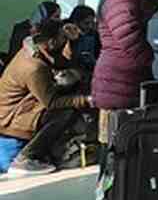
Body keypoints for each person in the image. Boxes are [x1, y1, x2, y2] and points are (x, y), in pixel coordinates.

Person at [0, 18, 94, 175]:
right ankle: (25, 158)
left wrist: (74, 41)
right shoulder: (33, 67)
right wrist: (87, 100)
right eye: (62, 39)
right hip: (9, 119)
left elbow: (62, 61)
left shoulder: (37, 48)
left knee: (71, 88)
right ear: (51, 41)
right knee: (65, 112)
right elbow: (52, 102)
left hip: (18, 109)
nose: (64, 41)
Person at [92, 0, 158, 142]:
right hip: (118, 80)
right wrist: (155, 62)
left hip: (136, 79)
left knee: (135, 150)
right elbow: (129, 39)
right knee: (118, 146)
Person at [7, 1, 60, 67]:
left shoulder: (23, 28)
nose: (59, 20)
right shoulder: (22, 32)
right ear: (44, 18)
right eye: (56, 16)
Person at [67, 6, 99, 73]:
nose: (90, 26)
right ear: (75, 22)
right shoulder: (65, 36)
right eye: (86, 23)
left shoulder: (95, 35)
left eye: (92, 23)